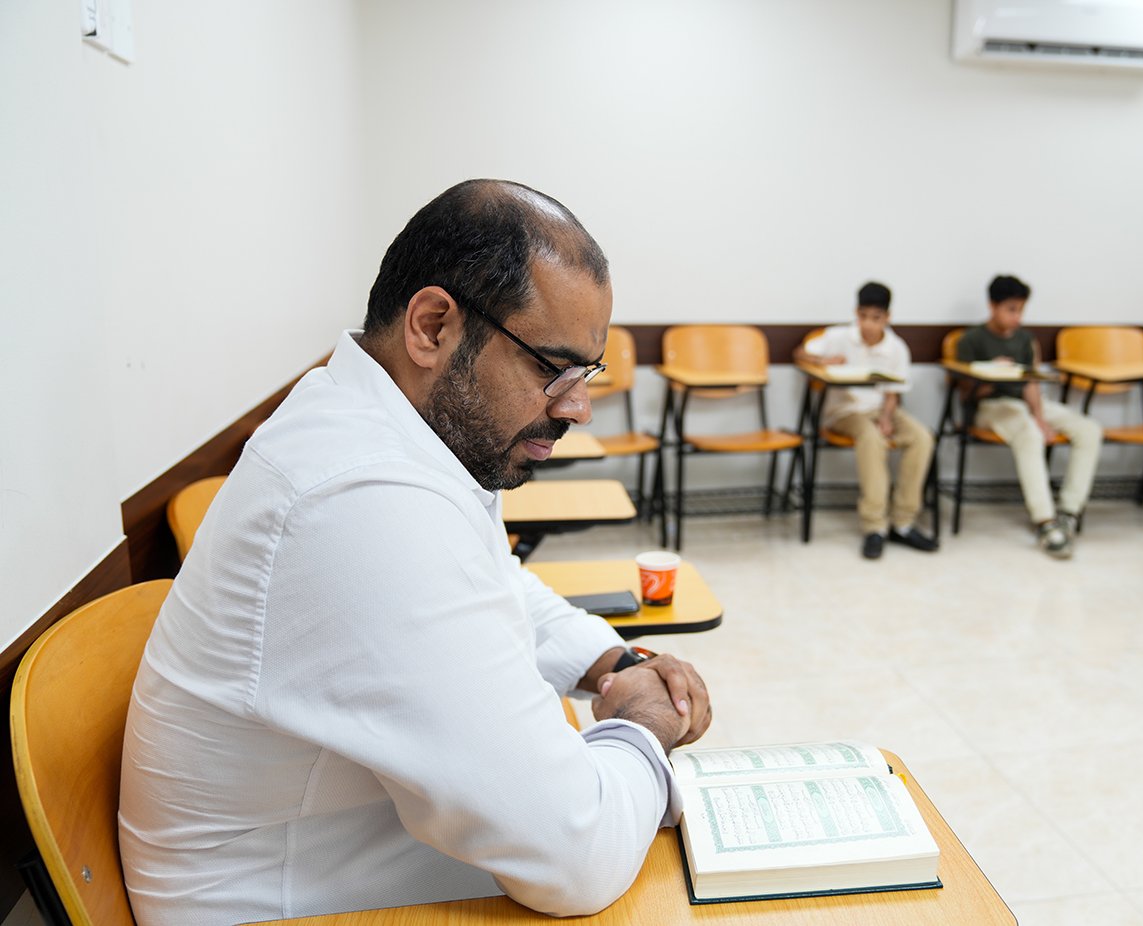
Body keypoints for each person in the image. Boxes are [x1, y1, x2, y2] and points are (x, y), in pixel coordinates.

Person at [118, 180, 713, 924]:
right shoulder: (357, 498)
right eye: (550, 368)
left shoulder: (382, 430)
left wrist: (611, 663)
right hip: (295, 906)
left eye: (586, 374)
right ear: (432, 326)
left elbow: (487, 583)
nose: (577, 408)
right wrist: (644, 728)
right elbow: (576, 855)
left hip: (351, 863)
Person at [954, 275, 1103, 559]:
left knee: (1088, 430)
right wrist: (992, 373)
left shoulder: (1025, 340)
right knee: (1029, 434)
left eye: (1021, 310)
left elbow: (1031, 383)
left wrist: (1040, 417)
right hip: (992, 405)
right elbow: (965, 391)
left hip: (1026, 403)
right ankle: (1045, 521)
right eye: (1010, 309)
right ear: (992, 306)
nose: (1017, 317)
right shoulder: (971, 339)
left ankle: (1069, 512)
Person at [794, 282, 938, 560]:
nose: (868, 324)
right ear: (855, 313)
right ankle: (874, 527)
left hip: (881, 408)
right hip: (845, 413)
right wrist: (821, 360)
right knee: (872, 438)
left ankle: (903, 522)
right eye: (863, 316)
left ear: (888, 317)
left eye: (876, 318)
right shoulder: (837, 336)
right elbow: (799, 354)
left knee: (922, 437)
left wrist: (886, 417)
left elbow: (893, 393)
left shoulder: (897, 348)